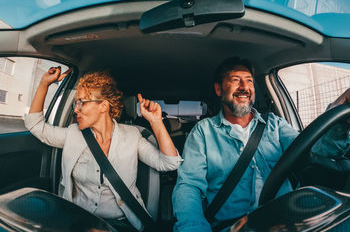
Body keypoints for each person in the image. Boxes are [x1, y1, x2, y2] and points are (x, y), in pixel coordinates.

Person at [172, 57, 350, 232]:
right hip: (233, 226)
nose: (244, 87)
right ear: (219, 89)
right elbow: (189, 186)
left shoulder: (275, 124)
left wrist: (338, 110)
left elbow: (310, 152)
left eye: (249, 81)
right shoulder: (203, 131)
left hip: (287, 221)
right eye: (235, 80)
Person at [24, 67, 182, 232]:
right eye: (75, 103)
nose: (76, 109)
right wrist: (44, 83)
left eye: (81, 103)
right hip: (79, 221)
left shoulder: (133, 136)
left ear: (103, 106)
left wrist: (156, 122)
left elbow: (169, 163)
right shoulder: (72, 133)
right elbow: (36, 126)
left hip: (122, 224)